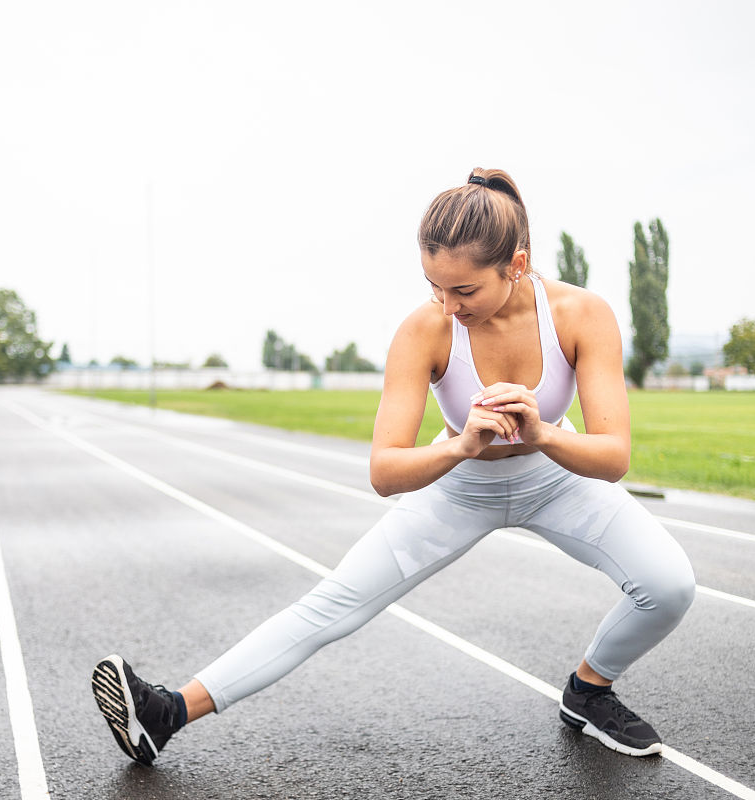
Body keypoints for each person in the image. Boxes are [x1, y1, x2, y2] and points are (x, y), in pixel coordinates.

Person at [91, 168, 696, 766]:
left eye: (464, 291)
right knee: (332, 604)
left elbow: (614, 457)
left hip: (557, 481)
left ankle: (589, 690)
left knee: (669, 587)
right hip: (459, 488)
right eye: (435, 286)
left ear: (516, 263)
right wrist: (458, 449)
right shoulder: (424, 329)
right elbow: (384, 471)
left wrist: (539, 432)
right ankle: (165, 714)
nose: (447, 304)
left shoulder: (581, 314)